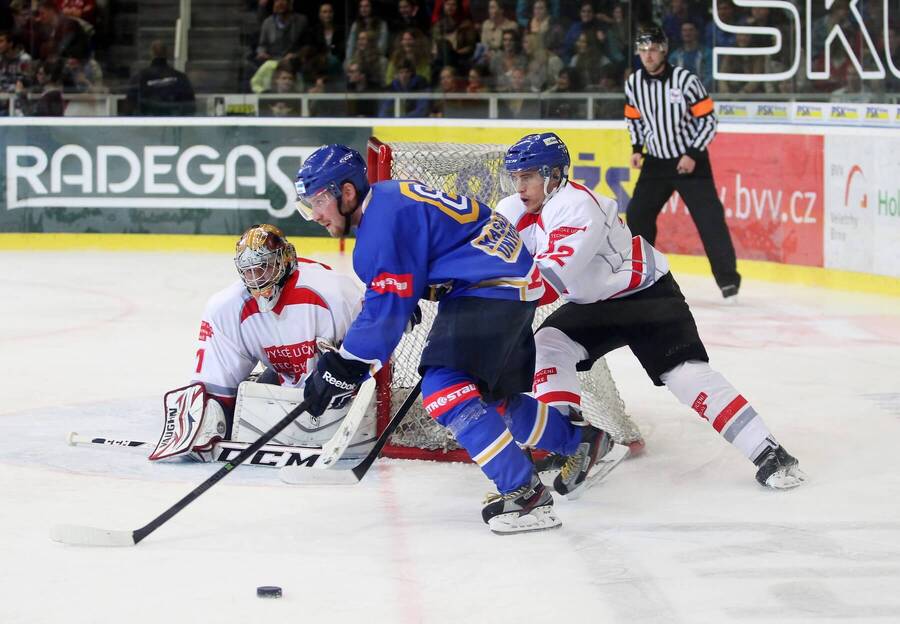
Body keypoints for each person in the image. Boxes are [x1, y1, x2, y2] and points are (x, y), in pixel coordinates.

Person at [293, 145, 613, 534]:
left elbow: (382, 317)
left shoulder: (380, 226)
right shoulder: (392, 197)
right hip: (509, 281)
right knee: (489, 398)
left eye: (319, 201)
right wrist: (412, 291)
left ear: (346, 193)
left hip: (493, 287)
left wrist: (342, 367)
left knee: (445, 389)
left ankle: (525, 495)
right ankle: (580, 440)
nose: (315, 215)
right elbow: (439, 246)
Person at [494, 132, 807, 490]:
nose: (520, 186)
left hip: (647, 299)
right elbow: (491, 259)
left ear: (553, 176)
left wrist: (489, 304)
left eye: (529, 176)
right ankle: (568, 441)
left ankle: (768, 451)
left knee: (685, 375)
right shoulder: (512, 210)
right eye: (516, 177)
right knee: (549, 342)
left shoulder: (577, 206)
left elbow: (548, 281)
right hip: (594, 304)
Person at [148, 224, 364, 462]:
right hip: (287, 385)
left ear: (285, 260)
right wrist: (208, 422)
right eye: (248, 271)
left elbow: (370, 355)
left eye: (264, 267)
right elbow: (215, 385)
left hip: (337, 397)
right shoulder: (226, 308)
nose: (257, 278)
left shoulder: (334, 292)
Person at [624, 26, 741, 300]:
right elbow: (634, 118)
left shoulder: (685, 79)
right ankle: (640, 277)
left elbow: (709, 119)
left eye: (653, 49)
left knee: (709, 219)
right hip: (655, 161)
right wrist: (636, 148)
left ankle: (728, 282)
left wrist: (692, 153)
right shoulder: (634, 83)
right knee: (638, 215)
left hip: (690, 160)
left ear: (663, 50)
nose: (648, 55)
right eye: (643, 50)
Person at [125, 40, 195, 116]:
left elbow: (129, 107)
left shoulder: (139, 77)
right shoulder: (180, 77)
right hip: (172, 122)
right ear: (166, 53)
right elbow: (190, 107)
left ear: (151, 53)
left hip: (147, 122)